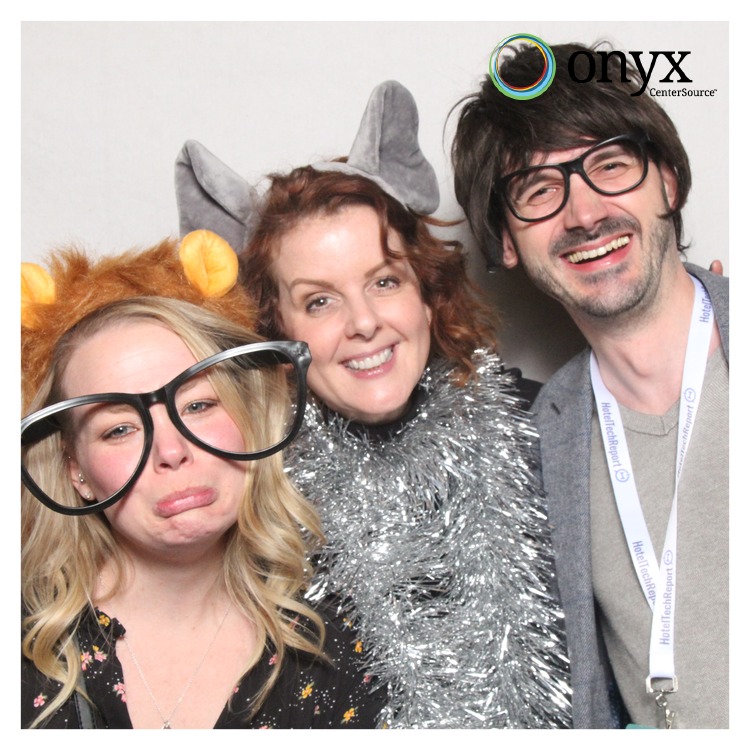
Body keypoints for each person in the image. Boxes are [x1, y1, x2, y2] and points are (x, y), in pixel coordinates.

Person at [174, 80, 572, 728]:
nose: (363, 323)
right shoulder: (250, 497)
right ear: (277, 331)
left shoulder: (547, 427)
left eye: (384, 281)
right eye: (319, 301)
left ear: (427, 294)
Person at [451, 41, 728, 729]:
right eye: (539, 191)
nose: (582, 214)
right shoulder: (536, 450)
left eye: (609, 165)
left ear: (668, 182)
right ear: (506, 240)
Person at [21, 230, 387, 729]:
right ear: (76, 472)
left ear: (247, 416)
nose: (172, 452)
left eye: (197, 405)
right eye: (120, 429)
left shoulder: (351, 639)